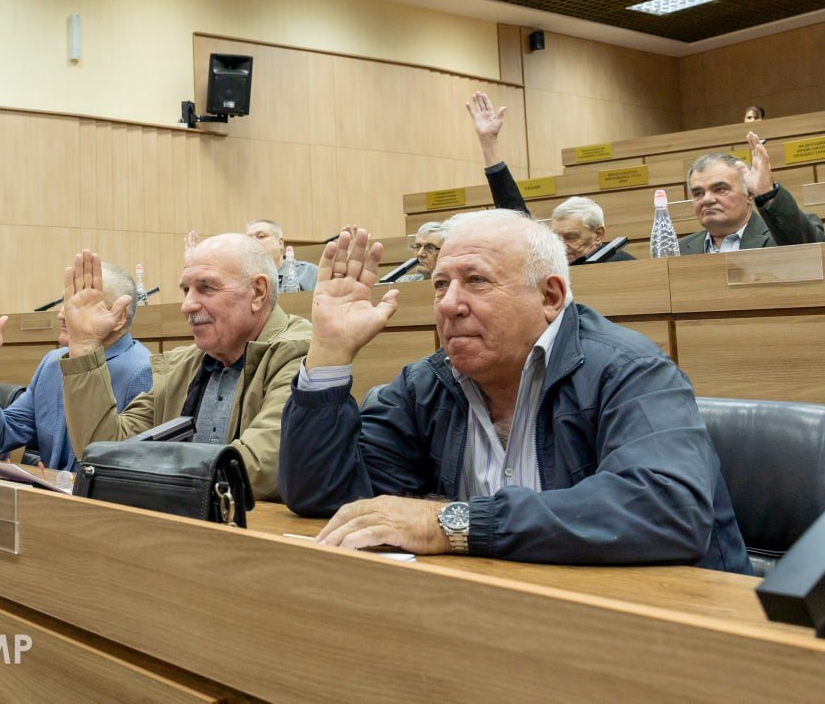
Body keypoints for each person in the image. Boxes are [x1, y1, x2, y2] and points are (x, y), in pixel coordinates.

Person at [278, 213, 749, 572]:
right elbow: (327, 499)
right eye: (441, 284)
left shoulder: (630, 370)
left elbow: (665, 508)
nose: (448, 303)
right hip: (505, 618)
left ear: (550, 297)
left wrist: (450, 524)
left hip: (671, 633)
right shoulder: (425, 384)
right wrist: (329, 353)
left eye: (476, 281)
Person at [59, 234, 311, 500]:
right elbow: (103, 452)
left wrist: (146, 467)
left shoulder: (299, 352)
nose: (186, 305)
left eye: (206, 288)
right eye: (186, 290)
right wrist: (85, 347)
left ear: (258, 292)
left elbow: (258, 469)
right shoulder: (183, 364)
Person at [0, 264, 152, 470]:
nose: (62, 314)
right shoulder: (52, 363)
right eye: (66, 302)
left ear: (119, 317)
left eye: (81, 304)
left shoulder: (143, 371)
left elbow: (125, 467)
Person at [466, 91, 633, 264]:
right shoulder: (550, 262)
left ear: (598, 234)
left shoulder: (621, 263)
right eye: (555, 237)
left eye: (571, 237)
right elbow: (515, 217)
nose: (561, 245)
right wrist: (488, 142)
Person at [680, 132, 825, 254]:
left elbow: (813, 250)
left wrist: (766, 193)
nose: (707, 199)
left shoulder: (784, 237)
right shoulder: (679, 251)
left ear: (749, 194)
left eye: (720, 190)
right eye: (698, 193)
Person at [246, 219, 317, 292]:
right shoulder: (243, 280)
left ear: (280, 243)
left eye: (261, 236)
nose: (253, 242)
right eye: (248, 239)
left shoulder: (308, 272)